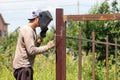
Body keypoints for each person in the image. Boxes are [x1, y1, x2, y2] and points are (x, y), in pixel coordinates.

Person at [12, 9, 55, 80]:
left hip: (24, 68)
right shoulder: (28, 31)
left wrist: (39, 40)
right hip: (23, 68)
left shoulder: (32, 30)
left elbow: (31, 48)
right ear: (37, 18)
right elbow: (31, 51)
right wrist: (48, 46)